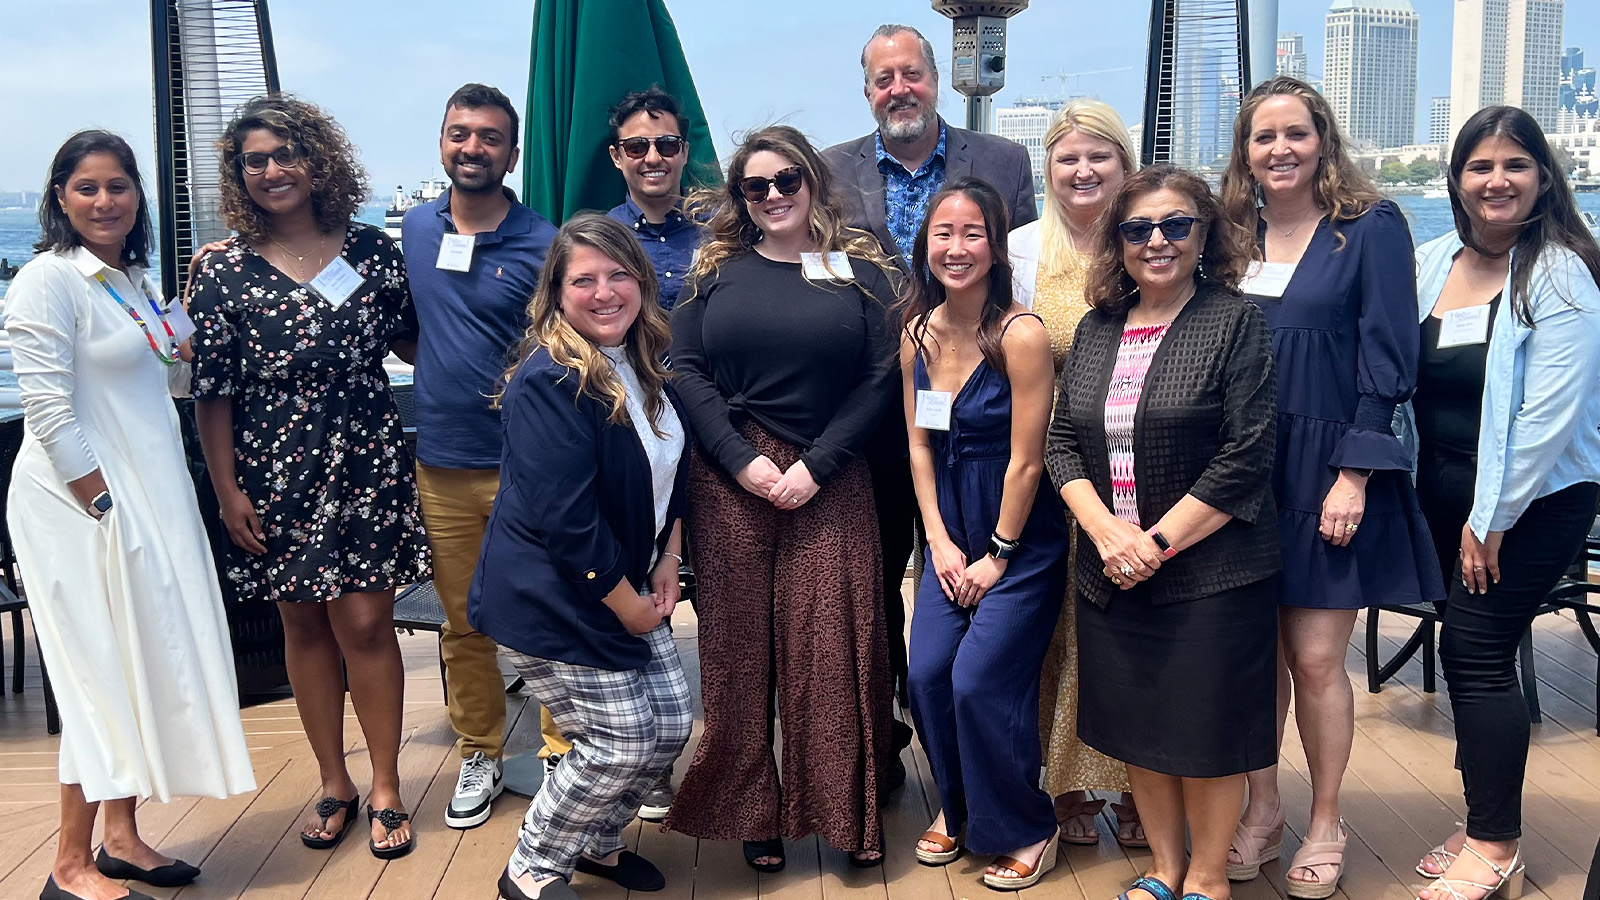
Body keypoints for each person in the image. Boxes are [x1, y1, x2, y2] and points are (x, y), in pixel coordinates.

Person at [6, 130, 256, 900]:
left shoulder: (132, 281)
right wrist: (104, 505)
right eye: (87, 187)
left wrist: (193, 290)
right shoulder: (48, 279)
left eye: (118, 185)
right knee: (98, 674)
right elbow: (48, 410)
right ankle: (68, 862)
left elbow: (172, 370)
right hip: (80, 506)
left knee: (139, 656)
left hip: (146, 497)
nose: (104, 200)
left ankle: (120, 836)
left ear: (138, 195)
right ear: (60, 197)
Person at [1216, 76, 1443, 900]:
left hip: (1325, 466)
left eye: (1295, 133)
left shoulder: (1369, 228)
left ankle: (1326, 820)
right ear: (1245, 153)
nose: (1280, 149)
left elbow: (1389, 358)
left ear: (1323, 140)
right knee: (1253, 655)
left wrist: (1355, 474)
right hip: (1240, 471)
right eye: (1263, 136)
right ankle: (1263, 806)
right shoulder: (1227, 236)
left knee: (1314, 658)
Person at [189, 95, 429, 859]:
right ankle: (334, 781)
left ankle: (385, 783)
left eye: (284, 154)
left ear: (317, 160)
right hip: (271, 467)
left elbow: (419, 341)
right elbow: (213, 392)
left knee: (366, 623)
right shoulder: (221, 269)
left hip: (365, 456)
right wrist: (227, 491)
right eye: (253, 161)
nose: (271, 171)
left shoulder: (371, 250)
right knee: (303, 624)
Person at [664, 125, 899, 870]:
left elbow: (881, 377)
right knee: (736, 653)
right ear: (740, 197)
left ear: (813, 183)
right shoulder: (714, 273)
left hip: (831, 476)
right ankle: (750, 810)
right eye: (755, 186)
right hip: (732, 480)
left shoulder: (863, 272)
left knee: (835, 649)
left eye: (787, 180)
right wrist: (741, 461)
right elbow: (684, 368)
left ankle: (846, 813)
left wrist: (817, 465)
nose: (773, 195)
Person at [1045, 164, 1279, 900]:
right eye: (1138, 228)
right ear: (1117, 241)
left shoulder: (1234, 322)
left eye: (1176, 225)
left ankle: (1208, 876)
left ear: (1204, 235)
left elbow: (1246, 455)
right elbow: (1060, 444)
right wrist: (1106, 535)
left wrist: (1153, 544)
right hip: (1112, 571)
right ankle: (1164, 867)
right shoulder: (1097, 328)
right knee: (1141, 729)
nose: (1157, 240)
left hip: (1211, 573)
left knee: (1206, 735)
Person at [821, 22, 1036, 753]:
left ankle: (993, 732)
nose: (899, 90)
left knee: (983, 574)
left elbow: (1020, 274)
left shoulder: (1002, 161)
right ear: (867, 92)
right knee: (877, 572)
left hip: (980, 406)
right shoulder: (829, 170)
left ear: (935, 79)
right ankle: (884, 737)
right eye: (883, 79)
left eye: (910, 74)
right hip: (871, 412)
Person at [1408, 105, 1600, 900]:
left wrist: (1491, 520)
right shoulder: (1431, 262)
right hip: (1442, 486)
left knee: (1477, 652)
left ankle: (1493, 842)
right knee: (1469, 651)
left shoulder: (1559, 272)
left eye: (1515, 164)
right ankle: (1483, 815)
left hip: (1535, 498)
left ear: (1543, 178)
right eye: (1480, 166)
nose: (1497, 180)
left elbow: (1548, 419)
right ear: (1456, 180)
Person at [471, 214, 692, 900]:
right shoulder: (551, 379)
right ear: (557, 293)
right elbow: (568, 522)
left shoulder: (644, 363)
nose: (604, 292)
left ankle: (596, 841)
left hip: (628, 576)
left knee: (670, 724)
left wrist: (668, 557)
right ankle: (532, 864)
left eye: (618, 275)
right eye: (583, 280)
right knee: (619, 742)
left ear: (642, 282)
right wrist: (627, 605)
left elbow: (669, 474)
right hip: (556, 595)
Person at [399, 83, 559, 831]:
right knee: (463, 623)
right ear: (442, 143)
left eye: (490, 137)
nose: (473, 147)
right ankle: (480, 750)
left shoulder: (544, 241)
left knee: (544, 612)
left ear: (512, 154)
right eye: (460, 133)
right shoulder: (414, 229)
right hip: (442, 461)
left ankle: (560, 750)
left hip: (528, 464)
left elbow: (563, 344)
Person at [900, 178, 1068, 889]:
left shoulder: (1020, 335)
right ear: (925, 244)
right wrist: (937, 541)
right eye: (944, 233)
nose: (957, 247)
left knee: (977, 681)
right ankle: (962, 803)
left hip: (1018, 537)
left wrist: (997, 554)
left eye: (973, 233)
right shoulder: (917, 332)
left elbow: (1029, 460)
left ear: (996, 247)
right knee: (928, 674)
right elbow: (919, 446)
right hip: (949, 533)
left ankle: (1028, 823)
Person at [1008, 97, 1147, 850]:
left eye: (1100, 155)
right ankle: (1064, 783)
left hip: (1137, 466)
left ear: (1126, 165)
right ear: (1048, 169)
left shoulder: (1150, 240)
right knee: (1054, 630)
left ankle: (1138, 784)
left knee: (1127, 629)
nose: (1084, 170)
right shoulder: (1023, 251)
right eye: (1068, 157)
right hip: (1052, 466)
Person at [606, 86, 702, 313]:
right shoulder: (603, 239)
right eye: (636, 147)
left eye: (667, 145)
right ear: (616, 157)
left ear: (684, 152)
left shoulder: (721, 229)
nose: (652, 158)